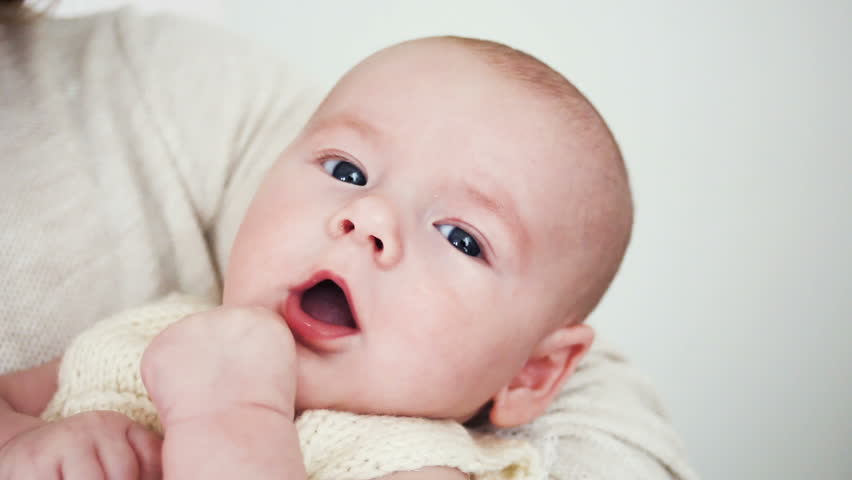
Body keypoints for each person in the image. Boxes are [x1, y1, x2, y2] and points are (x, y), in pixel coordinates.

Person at [0, 5, 698, 480]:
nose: (367, 217)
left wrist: (233, 415)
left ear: (530, 375)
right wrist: (29, 447)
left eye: (461, 237)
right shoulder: (147, 333)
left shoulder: (413, 463)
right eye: (347, 171)